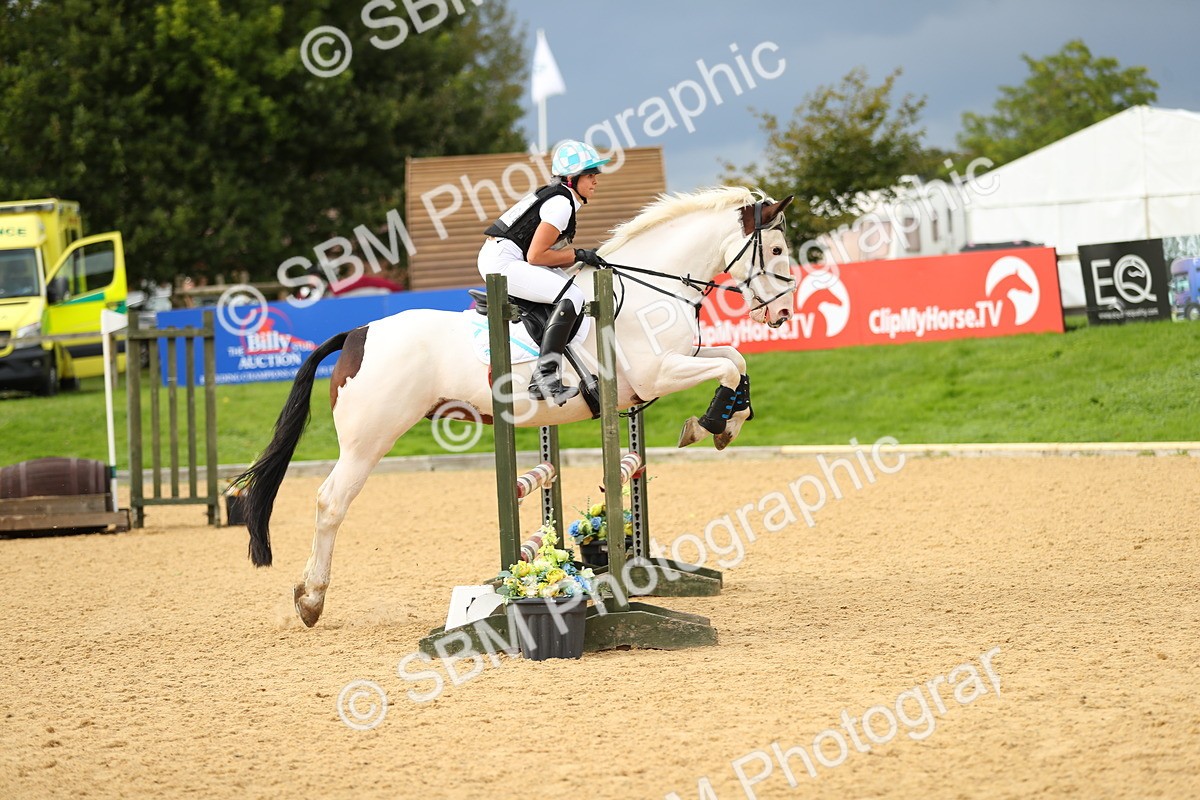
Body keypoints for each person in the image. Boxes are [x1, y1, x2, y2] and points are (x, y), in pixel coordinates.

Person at [479, 139, 609, 405]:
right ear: (573, 178)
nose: (596, 180)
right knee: (572, 297)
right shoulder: (562, 203)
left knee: (572, 288)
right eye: (591, 175)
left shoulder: (560, 197)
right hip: (503, 262)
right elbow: (537, 256)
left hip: (504, 257)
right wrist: (576, 254)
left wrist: (578, 258)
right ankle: (545, 376)